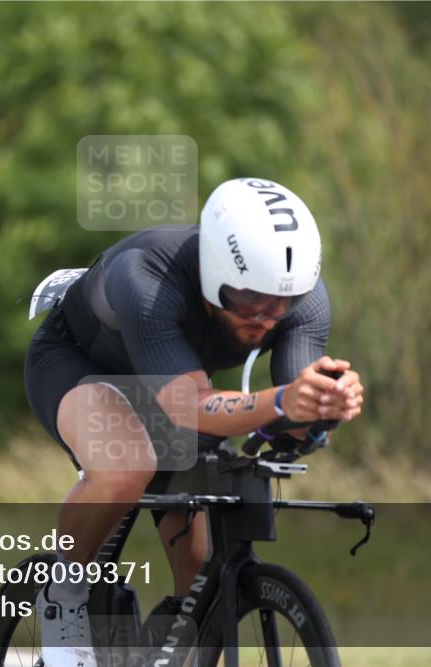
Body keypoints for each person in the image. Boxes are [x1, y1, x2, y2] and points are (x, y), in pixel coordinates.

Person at [23, 177, 365, 667]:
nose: (266, 318)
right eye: (248, 299)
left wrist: (323, 406)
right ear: (213, 270)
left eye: (281, 302)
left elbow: (291, 417)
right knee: (126, 466)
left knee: (203, 574)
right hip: (83, 363)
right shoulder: (146, 274)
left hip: (175, 381)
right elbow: (188, 407)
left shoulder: (299, 300)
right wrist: (283, 400)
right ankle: (64, 593)